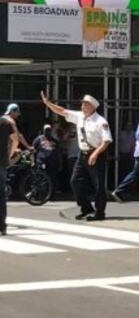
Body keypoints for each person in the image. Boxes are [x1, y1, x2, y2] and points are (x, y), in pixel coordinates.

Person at [41, 92, 113, 221]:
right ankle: (86, 208)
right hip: (82, 153)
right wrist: (48, 103)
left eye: (85, 104)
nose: (82, 106)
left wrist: (95, 154)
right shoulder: (80, 116)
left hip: (96, 153)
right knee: (75, 181)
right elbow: (62, 111)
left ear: (92, 106)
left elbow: (106, 141)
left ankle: (100, 212)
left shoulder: (101, 121)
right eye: (82, 104)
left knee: (99, 184)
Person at [0, 110, 20, 235]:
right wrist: (10, 154)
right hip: (1, 162)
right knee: (1, 194)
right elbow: (15, 140)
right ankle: (2, 225)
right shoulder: (5, 123)